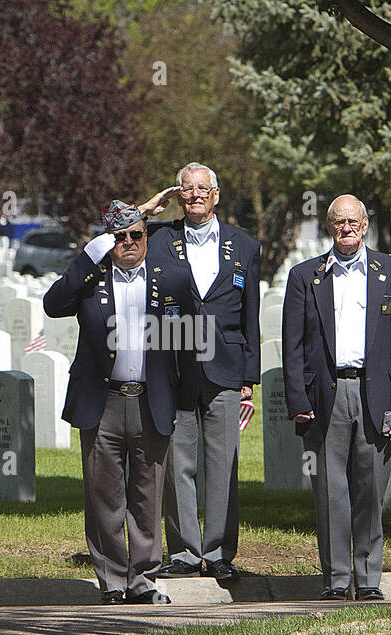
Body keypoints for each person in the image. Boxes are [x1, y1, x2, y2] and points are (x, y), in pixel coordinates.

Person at [43, 200, 192, 605]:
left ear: (147, 236)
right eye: (119, 236)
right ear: (108, 240)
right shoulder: (92, 278)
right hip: (102, 401)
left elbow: (190, 343)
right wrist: (86, 258)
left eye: (136, 235)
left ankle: (144, 580)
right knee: (104, 496)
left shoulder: (173, 278)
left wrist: (182, 399)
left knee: (147, 496)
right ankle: (111, 580)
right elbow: (53, 305)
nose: (129, 242)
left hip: (151, 400)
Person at [282, 194, 391, 600]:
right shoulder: (305, 276)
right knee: (329, 490)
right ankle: (337, 579)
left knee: (371, 488)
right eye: (338, 222)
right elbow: (293, 346)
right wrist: (298, 401)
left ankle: (369, 579)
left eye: (353, 222)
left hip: (377, 393)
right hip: (325, 395)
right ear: (330, 227)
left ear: (365, 226)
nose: (346, 228)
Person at [141, 163, 261, 582]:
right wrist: (150, 207)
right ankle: (186, 552)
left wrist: (250, 376)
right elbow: (113, 239)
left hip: (226, 366)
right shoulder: (159, 238)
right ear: (179, 194)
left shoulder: (244, 245)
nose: (194, 196)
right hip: (174, 362)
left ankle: (220, 553)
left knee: (223, 463)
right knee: (178, 462)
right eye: (186, 190)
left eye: (201, 189)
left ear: (216, 194)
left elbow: (251, 317)